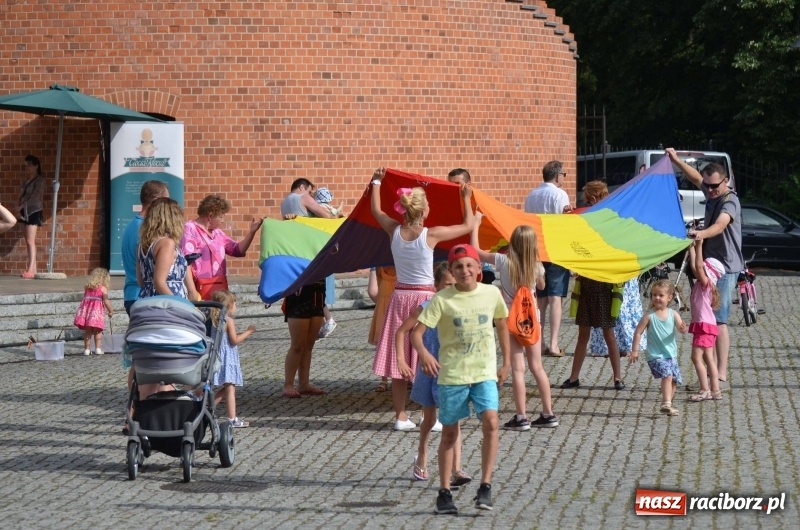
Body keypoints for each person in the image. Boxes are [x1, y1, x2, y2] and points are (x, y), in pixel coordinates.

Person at [370, 167, 474, 431]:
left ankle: (400, 416)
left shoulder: (394, 230)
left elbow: (376, 211)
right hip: (425, 299)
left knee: (400, 362)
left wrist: (377, 182)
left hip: (399, 297)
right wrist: (466, 198)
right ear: (424, 210)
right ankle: (433, 416)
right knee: (429, 355)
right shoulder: (431, 234)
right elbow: (468, 225)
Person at [411, 244, 511, 514]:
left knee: (491, 421)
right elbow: (415, 333)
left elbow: (502, 325)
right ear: (452, 272)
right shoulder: (442, 299)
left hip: (484, 372)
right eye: (458, 266)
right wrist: (424, 355)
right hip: (452, 374)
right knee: (450, 433)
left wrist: (506, 363)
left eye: (469, 265)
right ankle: (444, 493)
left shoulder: (491, 293)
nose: (464, 270)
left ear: (479, 268)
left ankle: (485, 487)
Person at [666, 148, 743, 387]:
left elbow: (720, 225)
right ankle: (711, 372)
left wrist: (700, 234)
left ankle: (720, 372)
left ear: (726, 181)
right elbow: (695, 177)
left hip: (726, 266)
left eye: (714, 186)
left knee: (719, 319)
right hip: (708, 262)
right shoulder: (711, 191)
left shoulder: (730, 201)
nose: (709, 190)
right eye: (707, 186)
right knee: (708, 318)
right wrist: (676, 160)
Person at [471, 219, 557, 430]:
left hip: (510, 319)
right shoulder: (536, 266)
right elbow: (542, 286)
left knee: (518, 369)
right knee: (537, 367)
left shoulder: (503, 261)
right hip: (531, 319)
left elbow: (476, 251)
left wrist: (476, 224)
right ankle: (548, 413)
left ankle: (521, 417)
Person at [396, 263, 471, 486]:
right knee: (429, 419)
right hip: (428, 371)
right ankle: (422, 452)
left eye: (455, 284)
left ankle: (456, 469)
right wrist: (402, 360)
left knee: (453, 419)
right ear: (435, 286)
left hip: (452, 372)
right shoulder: (427, 307)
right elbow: (402, 332)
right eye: (447, 284)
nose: (452, 288)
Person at [580, 180, 647, 358]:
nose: (588, 204)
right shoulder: (618, 210)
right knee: (622, 306)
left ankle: (618, 346)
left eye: (588, 201)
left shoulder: (603, 214)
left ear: (594, 198)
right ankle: (624, 345)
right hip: (625, 264)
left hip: (613, 267)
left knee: (616, 307)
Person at [279, 179, 332, 398]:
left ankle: (304, 383)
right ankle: (288, 384)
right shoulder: (300, 199)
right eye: (310, 191)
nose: (311, 196)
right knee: (299, 344)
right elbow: (327, 217)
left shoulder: (286, 206)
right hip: (302, 286)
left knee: (308, 343)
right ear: (303, 188)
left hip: (316, 284)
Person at [524, 160, 573, 357]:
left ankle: (540, 342)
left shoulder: (532, 194)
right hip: (555, 248)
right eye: (564, 175)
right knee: (555, 297)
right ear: (557, 175)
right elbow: (563, 223)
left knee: (540, 298)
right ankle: (553, 344)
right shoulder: (560, 194)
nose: (564, 178)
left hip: (535, 248)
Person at [182, 194, 262, 300]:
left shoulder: (217, 232)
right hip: (198, 290)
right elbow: (185, 262)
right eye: (221, 216)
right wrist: (192, 291)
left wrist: (252, 232)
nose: (223, 220)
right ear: (210, 216)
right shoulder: (190, 229)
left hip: (218, 288)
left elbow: (237, 250)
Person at [629, 280, 688, 416]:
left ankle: (668, 405)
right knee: (667, 375)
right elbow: (638, 332)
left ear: (669, 297)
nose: (657, 298)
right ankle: (666, 403)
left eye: (661, 295)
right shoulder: (649, 316)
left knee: (674, 380)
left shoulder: (673, 314)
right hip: (655, 355)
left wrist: (683, 328)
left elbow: (681, 329)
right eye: (654, 295)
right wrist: (635, 351)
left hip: (670, 354)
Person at [561, 274, 625, 390]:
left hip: (605, 296)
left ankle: (618, 378)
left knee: (609, 336)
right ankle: (574, 378)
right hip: (585, 295)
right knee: (583, 337)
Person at [121, 180, 169, 315]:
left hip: (132, 294)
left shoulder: (131, 225)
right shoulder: (146, 229)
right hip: (144, 295)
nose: (168, 206)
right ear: (156, 200)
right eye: (166, 201)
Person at [210, 289, 256, 428]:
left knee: (226, 388)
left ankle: (207, 408)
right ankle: (232, 418)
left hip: (217, 356)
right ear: (228, 306)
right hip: (227, 358)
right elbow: (234, 340)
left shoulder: (213, 320)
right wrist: (248, 332)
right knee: (230, 388)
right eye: (234, 303)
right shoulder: (228, 321)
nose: (236, 306)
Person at [136, 197, 197, 300]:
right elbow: (159, 282)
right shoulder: (167, 243)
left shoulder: (141, 246)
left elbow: (141, 281)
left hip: (146, 299)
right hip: (167, 304)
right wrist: (178, 303)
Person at [687, 240, 724, 402]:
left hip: (704, 327)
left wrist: (699, 245)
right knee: (709, 359)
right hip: (707, 326)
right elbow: (695, 266)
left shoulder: (705, 284)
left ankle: (705, 390)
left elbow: (698, 266)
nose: (698, 269)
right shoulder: (704, 284)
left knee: (696, 358)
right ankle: (715, 391)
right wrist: (691, 247)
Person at [313, 187, 343, 339]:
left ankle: (328, 320)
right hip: (328, 253)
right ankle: (323, 323)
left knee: (317, 292)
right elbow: (338, 214)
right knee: (318, 292)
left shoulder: (318, 210)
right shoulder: (331, 210)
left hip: (319, 253)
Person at [368, 266, 396, 392]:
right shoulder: (379, 267)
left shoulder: (400, 267)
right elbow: (373, 291)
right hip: (385, 309)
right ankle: (385, 379)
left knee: (398, 344)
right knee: (384, 345)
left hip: (394, 309)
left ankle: (395, 378)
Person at [73, 267, 114, 356]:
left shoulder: (87, 288)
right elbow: (106, 301)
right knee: (98, 331)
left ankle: (87, 349)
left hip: (87, 314)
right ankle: (98, 349)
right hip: (96, 314)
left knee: (88, 332)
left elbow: (85, 301)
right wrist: (111, 310)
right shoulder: (103, 289)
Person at [18, 155, 46, 279]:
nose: (27, 167)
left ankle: (30, 270)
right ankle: (33, 268)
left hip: (33, 211)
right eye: (26, 165)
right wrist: (18, 205)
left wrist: (21, 206)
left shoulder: (40, 180)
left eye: (29, 165)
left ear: (36, 166)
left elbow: (36, 197)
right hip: (23, 212)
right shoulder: (26, 181)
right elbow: (21, 195)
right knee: (27, 241)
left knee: (30, 241)